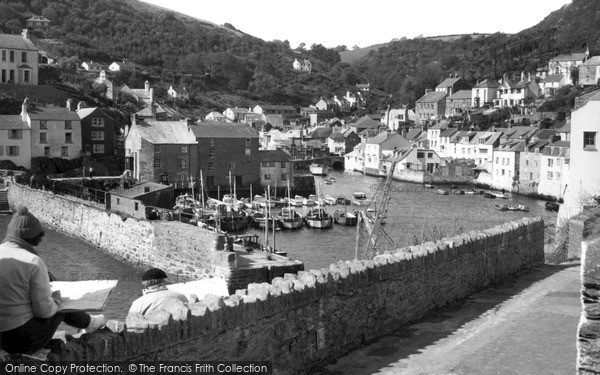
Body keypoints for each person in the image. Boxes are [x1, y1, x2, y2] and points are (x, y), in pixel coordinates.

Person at [0, 206, 107, 355]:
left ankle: (89, 322)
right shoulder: (33, 261)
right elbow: (43, 311)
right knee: (61, 304)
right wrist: (56, 301)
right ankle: (90, 323)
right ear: (32, 236)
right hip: (22, 341)